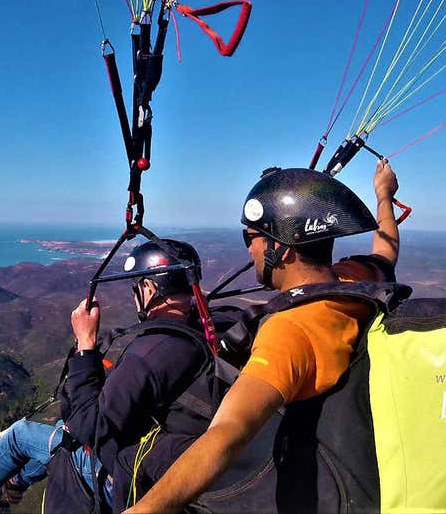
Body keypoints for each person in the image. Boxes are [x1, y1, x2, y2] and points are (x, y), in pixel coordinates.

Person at [124, 160, 401, 514]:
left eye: (251, 237)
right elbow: (385, 252)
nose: (248, 250)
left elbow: (226, 435)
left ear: (283, 248)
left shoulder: (290, 331)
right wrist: (384, 196)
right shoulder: (354, 282)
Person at [0, 239, 212, 512]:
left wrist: (86, 345)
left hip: (118, 475)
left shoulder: (149, 353)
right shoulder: (199, 332)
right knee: (64, 425)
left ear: (151, 287)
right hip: (158, 462)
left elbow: (92, 427)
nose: (135, 294)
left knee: (20, 434)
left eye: (138, 286)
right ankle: (16, 481)